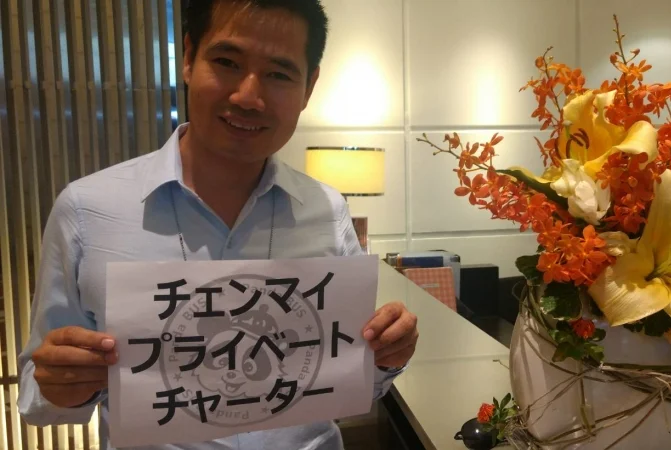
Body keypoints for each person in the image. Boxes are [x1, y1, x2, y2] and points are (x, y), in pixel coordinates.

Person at [16, 0, 418, 448]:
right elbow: (35, 393)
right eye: (227, 62)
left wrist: (386, 356)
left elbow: (350, 375)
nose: (248, 96)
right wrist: (59, 385)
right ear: (189, 58)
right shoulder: (86, 210)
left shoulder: (327, 210)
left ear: (309, 87)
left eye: (279, 73)